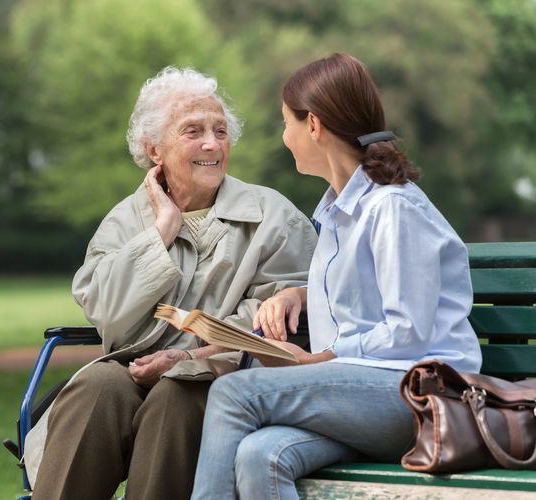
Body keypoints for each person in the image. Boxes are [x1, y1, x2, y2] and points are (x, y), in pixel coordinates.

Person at [191, 53, 483, 500]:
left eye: (287, 122)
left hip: (419, 396)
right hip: (365, 398)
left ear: (314, 125)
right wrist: (301, 295)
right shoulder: (337, 211)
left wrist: (318, 359)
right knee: (259, 455)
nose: (284, 136)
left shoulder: (393, 207)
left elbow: (407, 331)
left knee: (235, 394)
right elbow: (372, 287)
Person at [24, 66, 317, 500]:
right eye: (193, 131)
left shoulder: (273, 215)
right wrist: (161, 231)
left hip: (224, 374)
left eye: (220, 131)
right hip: (133, 368)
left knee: (176, 398)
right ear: (154, 150)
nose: (211, 144)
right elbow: (105, 311)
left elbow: (284, 316)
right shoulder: (126, 220)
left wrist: (188, 357)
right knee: (94, 387)